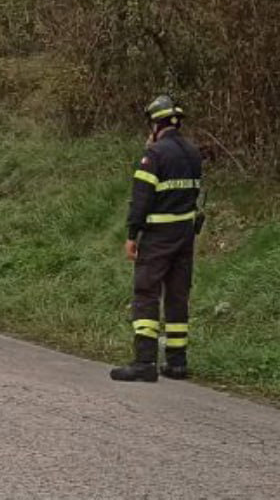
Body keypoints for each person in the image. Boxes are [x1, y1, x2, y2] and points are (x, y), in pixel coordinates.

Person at [111, 95, 203, 382]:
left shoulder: (154, 155)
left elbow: (141, 199)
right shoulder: (192, 153)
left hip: (158, 237)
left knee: (146, 294)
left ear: (155, 123)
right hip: (185, 236)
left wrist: (131, 234)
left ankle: (144, 362)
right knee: (177, 295)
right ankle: (177, 363)